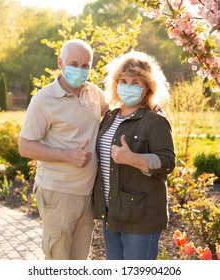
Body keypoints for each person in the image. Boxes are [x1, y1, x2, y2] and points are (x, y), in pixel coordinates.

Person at [19, 39, 108, 260]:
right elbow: (25, 146)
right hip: (58, 193)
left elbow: (119, 108)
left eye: (85, 65)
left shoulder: (94, 93)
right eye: (74, 63)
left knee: (79, 260)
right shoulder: (43, 99)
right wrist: (68, 155)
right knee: (58, 260)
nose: (80, 70)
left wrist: (149, 103)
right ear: (61, 63)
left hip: (87, 194)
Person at [93, 51, 176, 260]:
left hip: (140, 217)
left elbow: (167, 162)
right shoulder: (110, 117)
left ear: (148, 87)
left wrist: (133, 159)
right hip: (112, 213)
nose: (127, 86)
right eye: (123, 80)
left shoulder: (153, 119)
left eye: (135, 82)